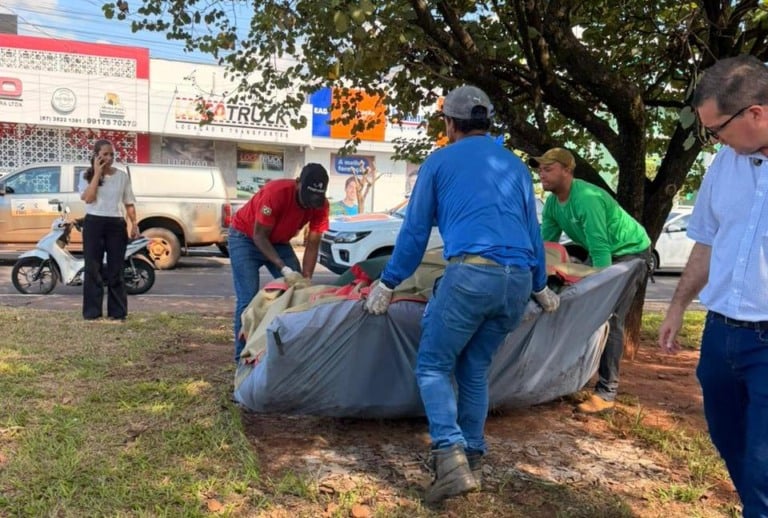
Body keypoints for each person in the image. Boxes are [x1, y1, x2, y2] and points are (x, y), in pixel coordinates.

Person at [363, 85, 559, 503]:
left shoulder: (439, 162)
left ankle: (448, 459)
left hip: (472, 275)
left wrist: (388, 282)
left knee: (433, 366)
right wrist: (540, 286)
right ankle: (474, 460)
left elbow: (415, 232)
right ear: (487, 123)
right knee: (474, 369)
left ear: (450, 125)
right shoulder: (515, 167)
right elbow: (531, 233)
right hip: (517, 282)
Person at [658, 55, 768, 517]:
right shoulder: (725, 163)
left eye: (717, 128)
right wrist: (677, 305)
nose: (713, 140)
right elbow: (705, 240)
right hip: (721, 334)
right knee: (728, 440)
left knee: (763, 461)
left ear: (756, 114)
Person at [530, 147, 651, 413]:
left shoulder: (586, 198)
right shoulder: (552, 203)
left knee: (610, 317)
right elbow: (545, 246)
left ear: (567, 170)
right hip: (607, 252)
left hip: (630, 253)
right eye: (540, 169)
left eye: (548, 168)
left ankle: (607, 393)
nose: (542, 174)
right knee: (575, 306)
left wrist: (598, 290)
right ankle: (566, 378)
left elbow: (600, 253)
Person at [228, 163, 330, 362]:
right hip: (245, 238)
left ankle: (288, 349)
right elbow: (259, 237)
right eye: (307, 198)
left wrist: (306, 277)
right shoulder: (276, 193)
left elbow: (313, 242)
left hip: (279, 242)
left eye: (315, 200)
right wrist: (284, 268)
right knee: (247, 299)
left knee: (299, 292)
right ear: (298, 183)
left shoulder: (320, 205)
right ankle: (242, 357)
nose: (310, 205)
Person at [78, 139, 139, 321]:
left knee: (116, 269)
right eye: (105, 154)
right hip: (93, 224)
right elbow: (88, 198)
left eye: (112, 154)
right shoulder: (85, 175)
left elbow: (129, 202)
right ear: (96, 156)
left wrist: (134, 223)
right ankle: (92, 313)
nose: (110, 158)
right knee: (92, 268)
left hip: (116, 224)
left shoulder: (122, 176)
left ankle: (118, 312)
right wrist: (97, 173)